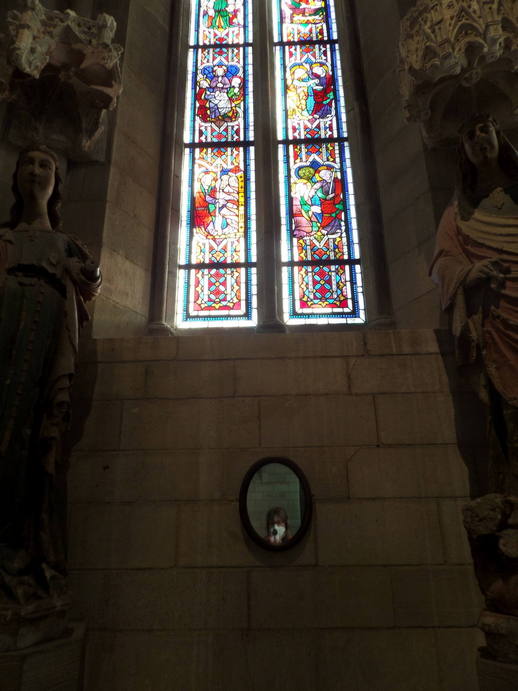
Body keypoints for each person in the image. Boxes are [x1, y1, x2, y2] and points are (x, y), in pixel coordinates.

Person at [0, 146, 101, 617]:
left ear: (57, 181)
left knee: (27, 447)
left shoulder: (66, 245)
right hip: (4, 337)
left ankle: (21, 558)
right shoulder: (3, 239)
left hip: (40, 347)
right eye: (28, 164)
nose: (36, 172)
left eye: (46, 165)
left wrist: (85, 274)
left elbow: (90, 284)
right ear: (15, 176)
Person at [430, 114, 518, 494]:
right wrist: (470, 273)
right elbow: (442, 262)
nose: (479, 139)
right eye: (469, 134)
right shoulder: (458, 213)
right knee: (506, 411)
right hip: (497, 322)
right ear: (462, 150)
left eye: (484, 129)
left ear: (499, 134)